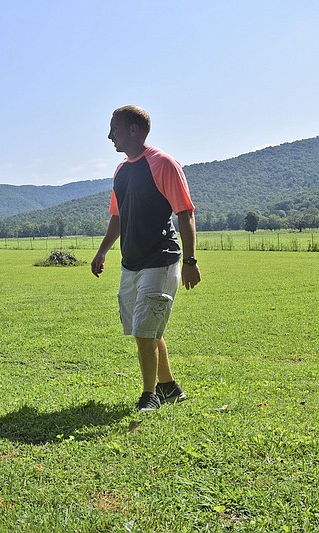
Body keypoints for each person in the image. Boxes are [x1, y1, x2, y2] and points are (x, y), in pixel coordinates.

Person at [91, 105, 201, 412]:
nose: (109, 134)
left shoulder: (163, 163)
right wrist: (102, 250)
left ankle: (149, 395)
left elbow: (185, 212)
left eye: (114, 127)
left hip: (161, 260)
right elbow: (118, 216)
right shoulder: (122, 170)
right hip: (132, 263)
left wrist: (191, 262)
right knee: (148, 329)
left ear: (134, 130)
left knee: (143, 330)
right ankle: (169, 388)